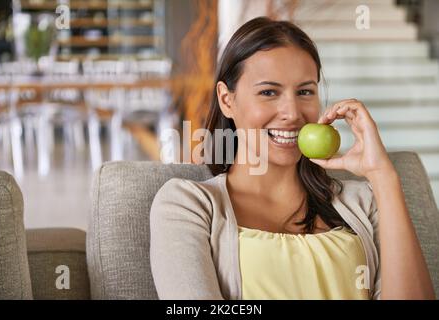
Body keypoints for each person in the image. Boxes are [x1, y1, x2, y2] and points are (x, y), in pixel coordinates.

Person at [150, 16, 435, 300]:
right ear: (227, 100)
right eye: (269, 92)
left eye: (304, 91)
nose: (292, 112)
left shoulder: (364, 201)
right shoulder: (187, 204)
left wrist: (382, 176)